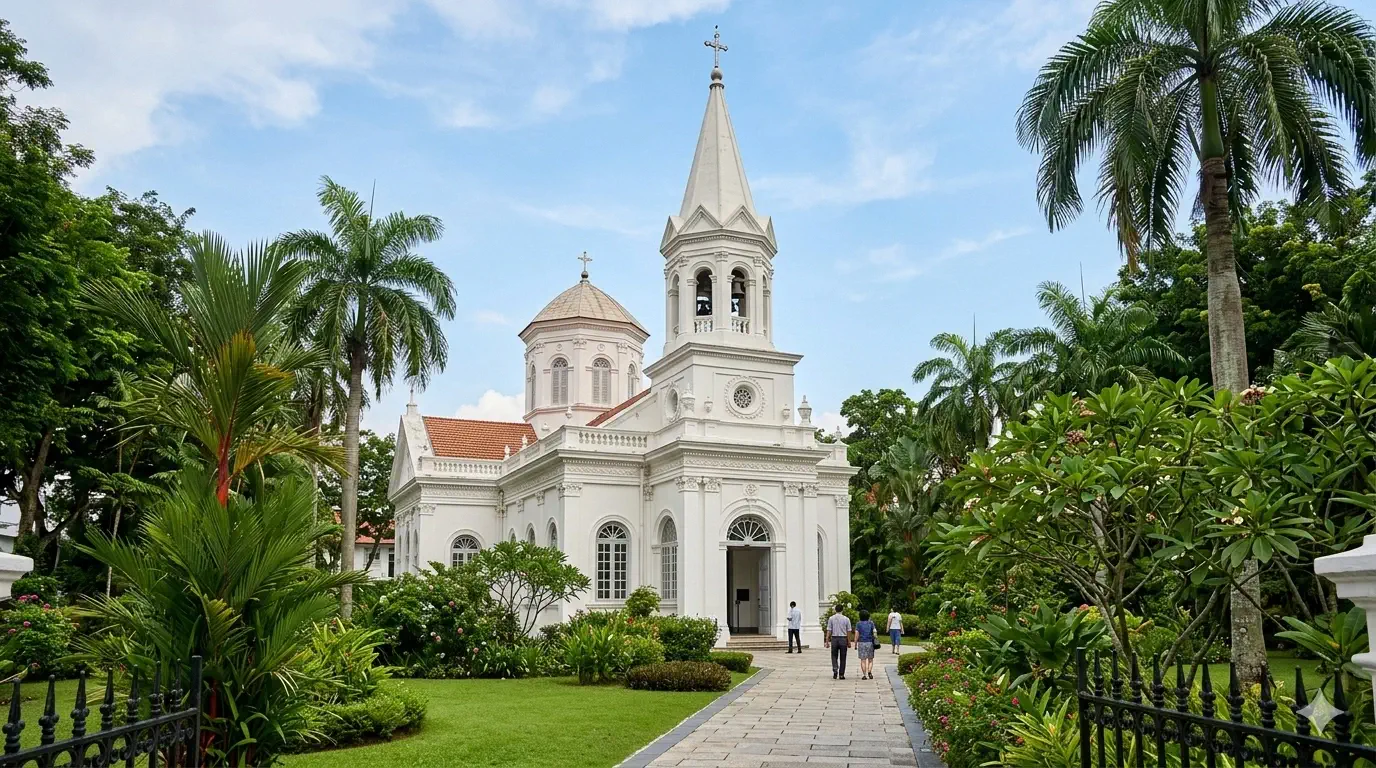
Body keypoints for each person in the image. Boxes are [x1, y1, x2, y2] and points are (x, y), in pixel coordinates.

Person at [826, 604, 852, 680]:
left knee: (834, 655)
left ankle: (835, 670)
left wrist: (827, 640)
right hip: (843, 639)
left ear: (835, 610)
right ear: (842, 610)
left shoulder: (831, 618)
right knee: (843, 657)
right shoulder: (846, 619)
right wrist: (849, 641)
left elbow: (829, 630)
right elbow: (849, 631)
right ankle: (841, 674)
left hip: (834, 638)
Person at [856, 610, 879, 679]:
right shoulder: (871, 623)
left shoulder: (858, 624)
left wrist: (855, 643)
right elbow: (875, 632)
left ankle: (864, 675)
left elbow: (857, 634)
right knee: (870, 659)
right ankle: (869, 671)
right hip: (870, 643)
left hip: (861, 642)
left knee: (863, 660)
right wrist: (876, 639)